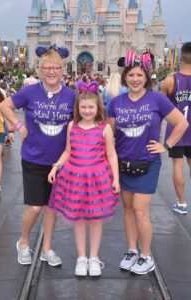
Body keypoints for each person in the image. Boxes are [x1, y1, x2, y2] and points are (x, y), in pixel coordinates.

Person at [107, 50, 188, 275]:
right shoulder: (116, 102)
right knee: (128, 209)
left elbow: (181, 123)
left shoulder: (157, 99)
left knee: (141, 211)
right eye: (131, 75)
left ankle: (146, 255)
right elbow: (110, 132)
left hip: (147, 163)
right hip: (123, 163)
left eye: (139, 76)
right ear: (125, 77)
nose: (135, 79)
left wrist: (167, 145)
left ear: (146, 78)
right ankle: (132, 250)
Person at [0, 44, 76, 266]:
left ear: (62, 69)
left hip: (59, 161)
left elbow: (80, 122)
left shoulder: (71, 96)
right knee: (35, 206)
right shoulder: (30, 92)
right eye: (47, 68)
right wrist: (17, 126)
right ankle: (23, 242)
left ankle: (47, 248)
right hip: (33, 157)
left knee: (52, 207)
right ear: (40, 69)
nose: (51, 71)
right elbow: (5, 106)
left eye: (55, 67)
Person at [48, 80, 120, 277]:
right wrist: (56, 166)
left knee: (96, 219)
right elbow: (68, 151)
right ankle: (82, 257)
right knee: (79, 219)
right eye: (84, 107)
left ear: (98, 107)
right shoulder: (73, 126)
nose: (87, 111)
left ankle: (94, 257)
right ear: (78, 108)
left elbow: (112, 155)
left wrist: (116, 179)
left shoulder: (104, 128)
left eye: (91, 107)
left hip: (98, 178)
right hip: (75, 178)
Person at [161, 42, 191, 215]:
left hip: (176, 132)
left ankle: (181, 203)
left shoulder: (170, 80)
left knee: (178, 167)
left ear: (180, 58)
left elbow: (162, 105)